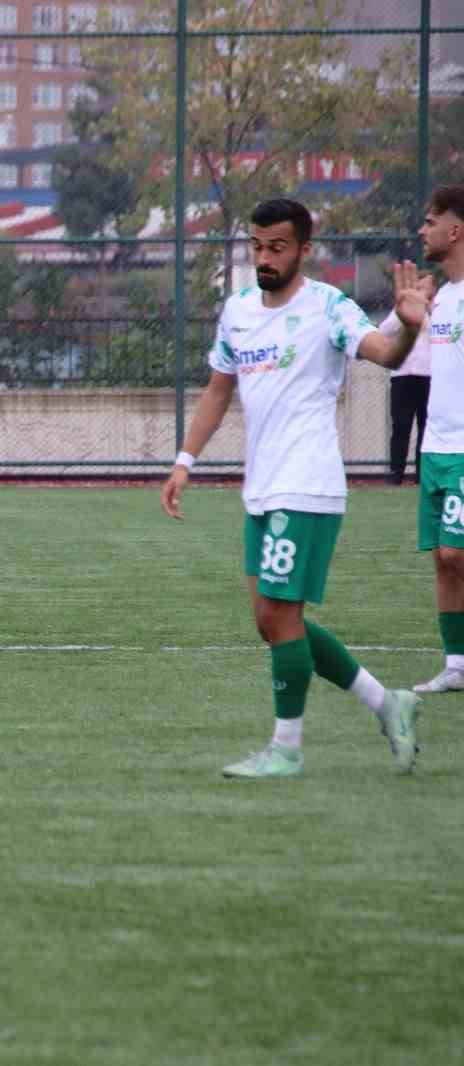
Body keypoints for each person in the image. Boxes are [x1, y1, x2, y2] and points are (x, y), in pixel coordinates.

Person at [160, 197, 431, 778]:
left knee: (281, 615)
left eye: (277, 247)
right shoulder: (236, 311)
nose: (265, 257)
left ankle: (286, 749)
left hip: (306, 484)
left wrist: (407, 330)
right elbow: (217, 390)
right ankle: (389, 704)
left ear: (304, 250)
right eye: (257, 246)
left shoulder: (328, 307)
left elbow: (383, 354)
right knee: (270, 619)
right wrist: (185, 460)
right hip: (262, 487)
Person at [407, 185, 464, 694]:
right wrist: (415, 315)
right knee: (442, 561)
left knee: (456, 555)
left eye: (431, 221)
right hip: (436, 448)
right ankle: (456, 666)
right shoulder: (443, 297)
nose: (423, 230)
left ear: (456, 230)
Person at [384, 306, 431, 485]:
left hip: (427, 375)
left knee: (425, 427)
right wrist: (402, 314)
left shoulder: (436, 310)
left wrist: (428, 311)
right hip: (402, 375)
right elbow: (384, 330)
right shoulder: (398, 311)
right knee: (400, 427)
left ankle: (422, 475)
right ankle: (396, 473)